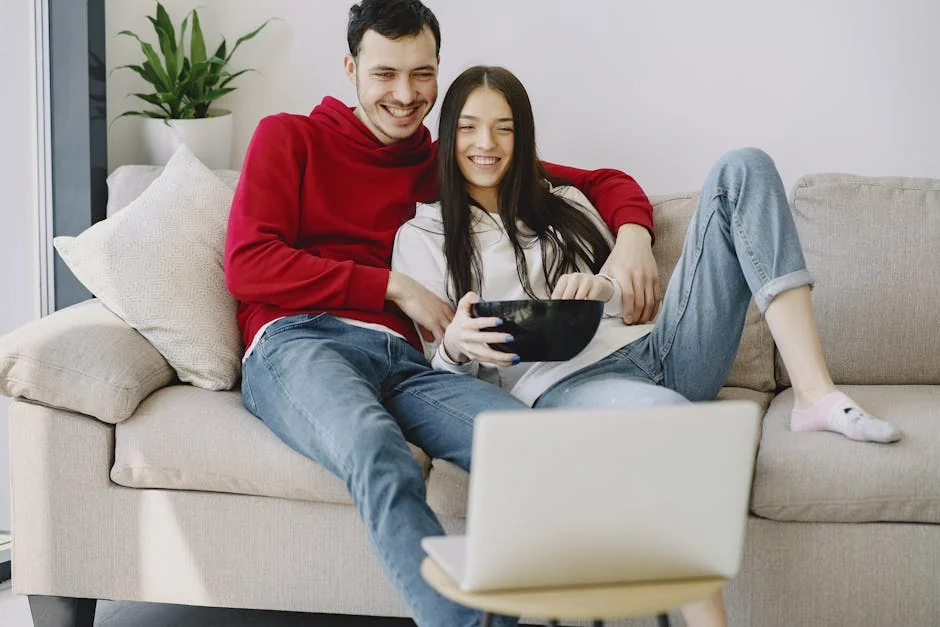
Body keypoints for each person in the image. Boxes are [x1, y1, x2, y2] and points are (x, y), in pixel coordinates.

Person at [392, 65, 903, 627]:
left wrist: (603, 287)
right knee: (670, 426)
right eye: (469, 127)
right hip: (567, 387)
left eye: (503, 128)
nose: (486, 143)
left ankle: (814, 394)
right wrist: (457, 347)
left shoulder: (565, 203)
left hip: (659, 349)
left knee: (744, 165)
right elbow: (438, 382)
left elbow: (630, 303)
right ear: (449, 135)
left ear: (524, 136)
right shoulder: (423, 237)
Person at [224, 2, 665, 626]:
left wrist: (634, 239)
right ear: (350, 68)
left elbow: (601, 181)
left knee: (533, 447)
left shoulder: (444, 162)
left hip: (408, 365)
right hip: (300, 340)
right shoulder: (289, 136)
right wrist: (395, 288)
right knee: (377, 448)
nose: (405, 95)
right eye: (385, 74)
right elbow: (249, 264)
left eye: (422, 74)